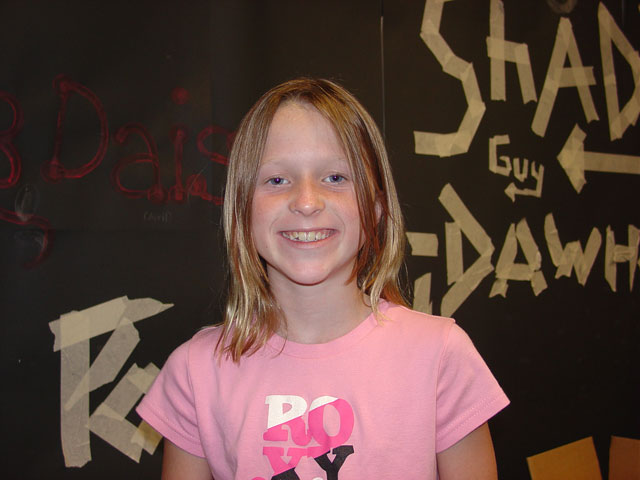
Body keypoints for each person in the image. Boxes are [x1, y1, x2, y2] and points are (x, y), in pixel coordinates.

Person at [136, 78, 509, 480]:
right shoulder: (196, 373)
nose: (307, 202)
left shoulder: (440, 357)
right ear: (242, 208)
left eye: (334, 178)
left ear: (377, 206)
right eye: (277, 180)